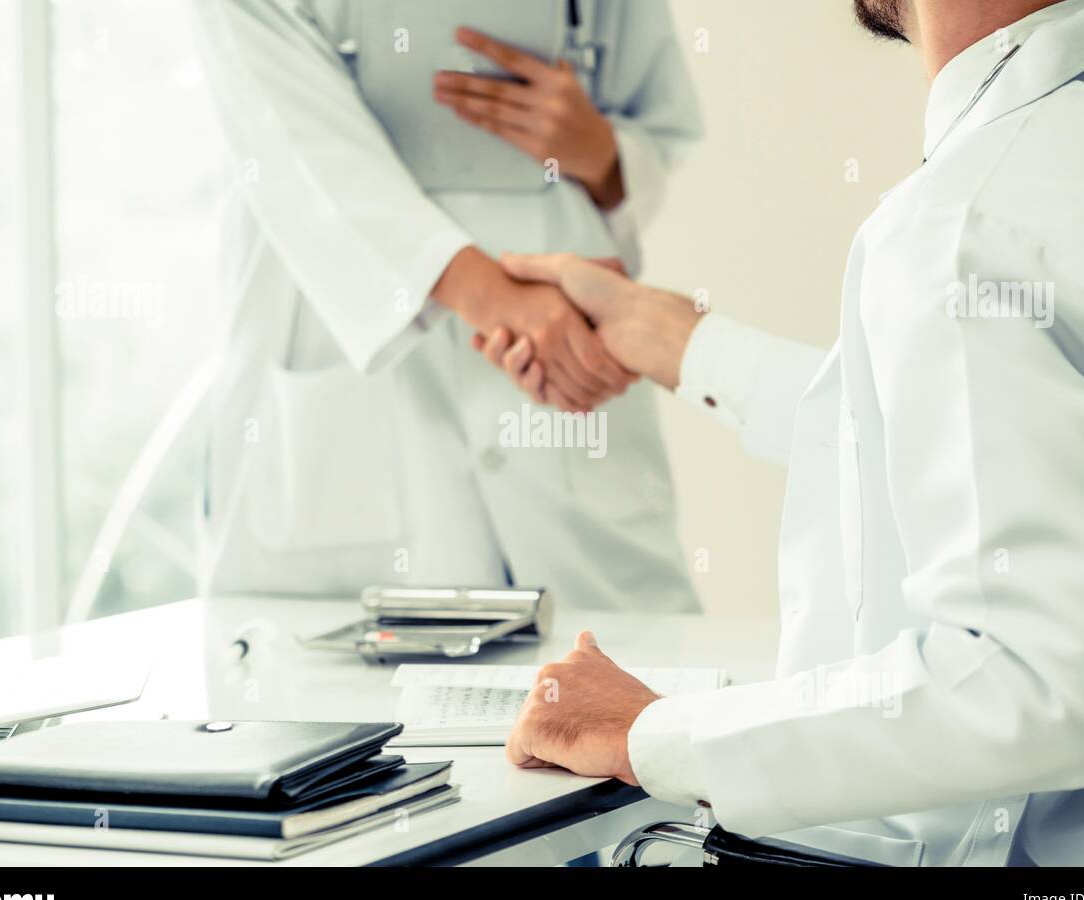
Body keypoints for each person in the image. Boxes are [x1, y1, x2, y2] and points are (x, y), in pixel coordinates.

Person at [479, 0, 1084, 865]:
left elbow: (1026, 685)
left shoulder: (971, 223)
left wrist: (649, 732)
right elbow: (1005, 446)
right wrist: (682, 343)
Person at [189, 0, 702, 612]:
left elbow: (658, 126)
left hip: (559, 343)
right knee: (335, 678)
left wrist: (600, 152)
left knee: (626, 673)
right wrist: (497, 300)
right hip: (356, 338)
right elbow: (291, 142)